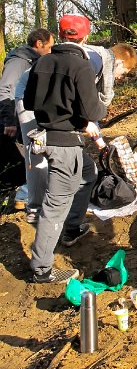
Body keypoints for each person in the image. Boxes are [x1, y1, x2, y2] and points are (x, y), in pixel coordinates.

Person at [24, 14, 107, 284]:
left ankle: (72, 226)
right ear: (85, 37)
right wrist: (100, 108)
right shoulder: (81, 67)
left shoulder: (42, 62)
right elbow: (93, 110)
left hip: (45, 135)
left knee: (88, 171)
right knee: (54, 206)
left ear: (59, 35)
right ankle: (42, 269)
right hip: (64, 143)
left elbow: (28, 100)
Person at [0, 28, 54, 210]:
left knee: (33, 157)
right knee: (30, 158)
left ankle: (24, 195)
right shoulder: (18, 62)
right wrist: (8, 121)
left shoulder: (33, 61)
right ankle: (22, 196)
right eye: (50, 46)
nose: (51, 50)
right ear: (39, 44)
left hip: (25, 119)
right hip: (13, 122)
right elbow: (6, 90)